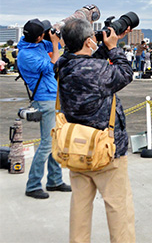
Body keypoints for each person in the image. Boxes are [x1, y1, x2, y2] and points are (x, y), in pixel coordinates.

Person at [57, 18, 135, 243]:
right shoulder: (97, 70)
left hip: (76, 148)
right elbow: (125, 73)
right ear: (88, 41)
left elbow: (86, 63)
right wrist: (112, 47)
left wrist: (100, 45)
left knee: (80, 209)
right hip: (106, 150)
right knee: (118, 208)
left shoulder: (63, 65)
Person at [17, 19, 71, 199]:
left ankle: (54, 180)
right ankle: (32, 185)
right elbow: (53, 63)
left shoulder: (36, 43)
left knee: (56, 141)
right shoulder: (25, 55)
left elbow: (62, 44)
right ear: (38, 37)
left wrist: (56, 35)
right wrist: (55, 44)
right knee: (47, 144)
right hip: (44, 99)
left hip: (54, 97)